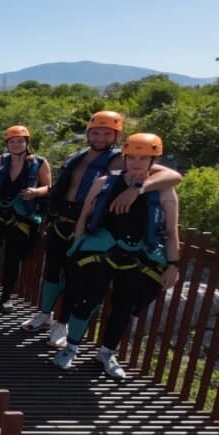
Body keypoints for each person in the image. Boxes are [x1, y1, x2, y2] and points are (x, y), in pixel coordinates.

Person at [20, 111, 182, 347]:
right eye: (96, 132)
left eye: (107, 133)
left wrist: (137, 189)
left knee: (77, 279)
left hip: (89, 226)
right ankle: (44, 315)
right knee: (53, 272)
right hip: (62, 219)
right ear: (88, 133)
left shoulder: (124, 159)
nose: (100, 137)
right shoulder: (77, 156)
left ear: (116, 136)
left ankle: (62, 325)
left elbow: (173, 176)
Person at [51, 133, 180, 379]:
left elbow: (172, 232)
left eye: (144, 157)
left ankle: (107, 352)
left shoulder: (164, 192)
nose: (137, 162)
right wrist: (75, 248)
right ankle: (71, 347)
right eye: (131, 157)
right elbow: (85, 216)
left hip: (137, 258)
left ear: (154, 159)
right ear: (124, 157)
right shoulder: (105, 182)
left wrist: (173, 264)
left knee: (124, 307)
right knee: (87, 301)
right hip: (101, 253)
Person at [0, 126, 51, 310]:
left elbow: (48, 187)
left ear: (27, 143)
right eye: (12, 141)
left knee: (13, 257)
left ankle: (6, 295)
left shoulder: (40, 163)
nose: (16, 145)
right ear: (7, 144)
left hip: (22, 216)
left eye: (20, 141)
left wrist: (35, 192)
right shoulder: (1, 160)